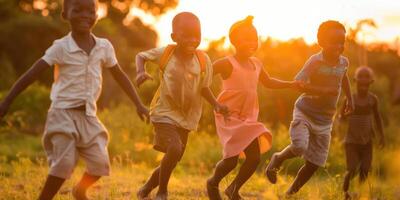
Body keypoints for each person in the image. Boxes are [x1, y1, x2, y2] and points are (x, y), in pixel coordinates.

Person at [0, 0, 149, 199]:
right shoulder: (60, 47)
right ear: (65, 15)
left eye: (90, 11)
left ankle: (80, 190)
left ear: (97, 15)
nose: (84, 15)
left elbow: (120, 75)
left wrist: (138, 104)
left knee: (100, 163)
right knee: (64, 163)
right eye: (77, 10)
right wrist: (7, 101)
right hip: (62, 114)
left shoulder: (104, 47)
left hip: (89, 115)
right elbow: (32, 74)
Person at [134, 12, 229, 200]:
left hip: (186, 118)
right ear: (174, 37)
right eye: (186, 35)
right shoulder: (166, 53)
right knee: (175, 149)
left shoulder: (203, 60)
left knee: (172, 160)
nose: (192, 40)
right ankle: (162, 192)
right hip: (163, 112)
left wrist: (216, 104)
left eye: (197, 35)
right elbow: (141, 56)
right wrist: (140, 72)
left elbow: (204, 88)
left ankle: (145, 189)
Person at [206, 16, 300, 200]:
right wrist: (215, 103)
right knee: (231, 160)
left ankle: (233, 189)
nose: (252, 42)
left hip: (248, 117)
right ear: (234, 41)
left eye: (254, 38)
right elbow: (204, 77)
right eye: (246, 38)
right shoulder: (226, 63)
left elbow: (269, 82)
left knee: (254, 158)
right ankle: (212, 182)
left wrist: (291, 84)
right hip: (229, 115)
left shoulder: (256, 63)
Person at [265, 20, 354, 195]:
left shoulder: (344, 62)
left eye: (342, 42)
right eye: (334, 42)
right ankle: (278, 158)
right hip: (305, 112)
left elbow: (344, 78)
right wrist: (322, 90)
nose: (338, 46)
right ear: (321, 42)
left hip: (326, 119)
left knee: (315, 163)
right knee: (299, 147)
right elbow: (299, 83)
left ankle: (291, 193)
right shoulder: (315, 61)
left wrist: (350, 99)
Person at [341, 66, 385, 200]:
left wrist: (382, 136)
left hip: (367, 142)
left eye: (366, 84)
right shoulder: (349, 99)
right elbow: (341, 117)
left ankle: (360, 194)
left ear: (370, 83)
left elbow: (377, 118)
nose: (363, 87)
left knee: (365, 170)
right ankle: (345, 191)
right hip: (351, 141)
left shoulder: (373, 99)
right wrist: (343, 116)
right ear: (355, 82)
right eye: (361, 84)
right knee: (352, 169)